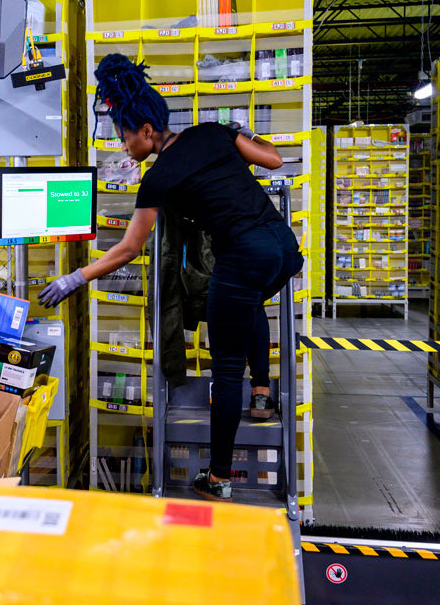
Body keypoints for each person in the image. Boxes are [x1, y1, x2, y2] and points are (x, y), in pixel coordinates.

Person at [37, 54, 303, 502]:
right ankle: (263, 390)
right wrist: (240, 135)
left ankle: (218, 478)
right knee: (248, 304)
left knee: (225, 367)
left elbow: (127, 249)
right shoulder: (214, 132)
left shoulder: (158, 179)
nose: (122, 146)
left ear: (146, 131)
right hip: (282, 249)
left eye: (124, 136)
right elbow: (274, 160)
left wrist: (74, 279)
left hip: (241, 255)